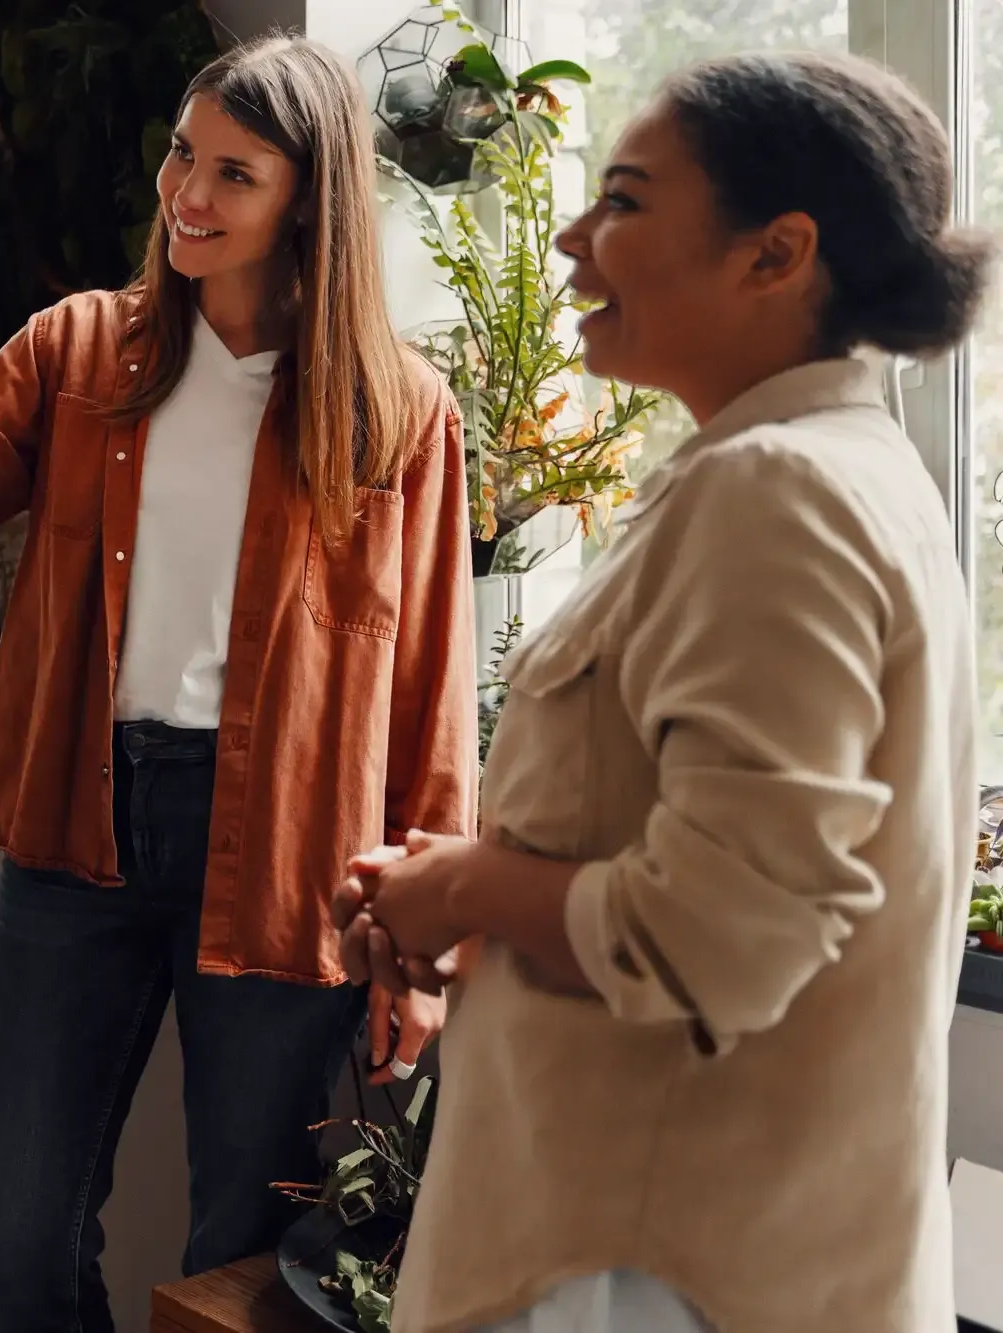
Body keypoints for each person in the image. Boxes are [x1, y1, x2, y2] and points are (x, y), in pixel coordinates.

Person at [334, 51, 996, 1333]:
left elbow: (724, 929)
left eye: (625, 201)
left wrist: (461, 887)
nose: (574, 239)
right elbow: (695, 862)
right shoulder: (825, 469)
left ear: (774, 253)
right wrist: (466, 907)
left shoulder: (777, 494)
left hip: (651, 1272)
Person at [0, 34, 475, 1333]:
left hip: (294, 861)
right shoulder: (80, 352)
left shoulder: (400, 412)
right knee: (14, 1233)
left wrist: (423, 953)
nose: (190, 192)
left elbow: (433, 701)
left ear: (311, 198)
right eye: (186, 155)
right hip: (79, 830)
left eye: (236, 174)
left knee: (236, 1263)